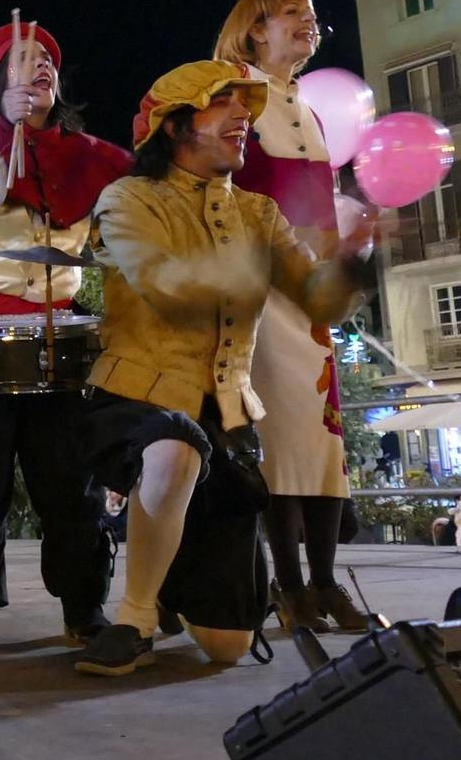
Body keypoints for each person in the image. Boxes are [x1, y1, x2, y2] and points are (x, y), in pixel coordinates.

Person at [71, 62, 372, 678]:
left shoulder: (258, 213)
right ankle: (134, 617)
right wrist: (251, 269)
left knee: (229, 645)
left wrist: (350, 262)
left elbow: (318, 303)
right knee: (174, 450)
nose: (244, 119)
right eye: (224, 105)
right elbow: (166, 285)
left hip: (228, 415)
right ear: (175, 124)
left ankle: (172, 562)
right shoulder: (126, 198)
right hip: (135, 397)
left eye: (246, 106)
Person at [0, 21, 131, 644]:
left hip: (55, 328)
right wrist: (0, 128)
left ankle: (83, 604)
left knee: (70, 479)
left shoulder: (92, 156)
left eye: (47, 58)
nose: (40, 66)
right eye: (21, 59)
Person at [214, 0, 364, 633]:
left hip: (310, 291)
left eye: (312, 16)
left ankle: (325, 582)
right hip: (261, 287)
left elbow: (318, 208)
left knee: (324, 439)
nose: (309, 25)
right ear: (253, 30)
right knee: (280, 438)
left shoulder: (307, 107)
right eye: (292, 15)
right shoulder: (232, 94)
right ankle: (291, 586)